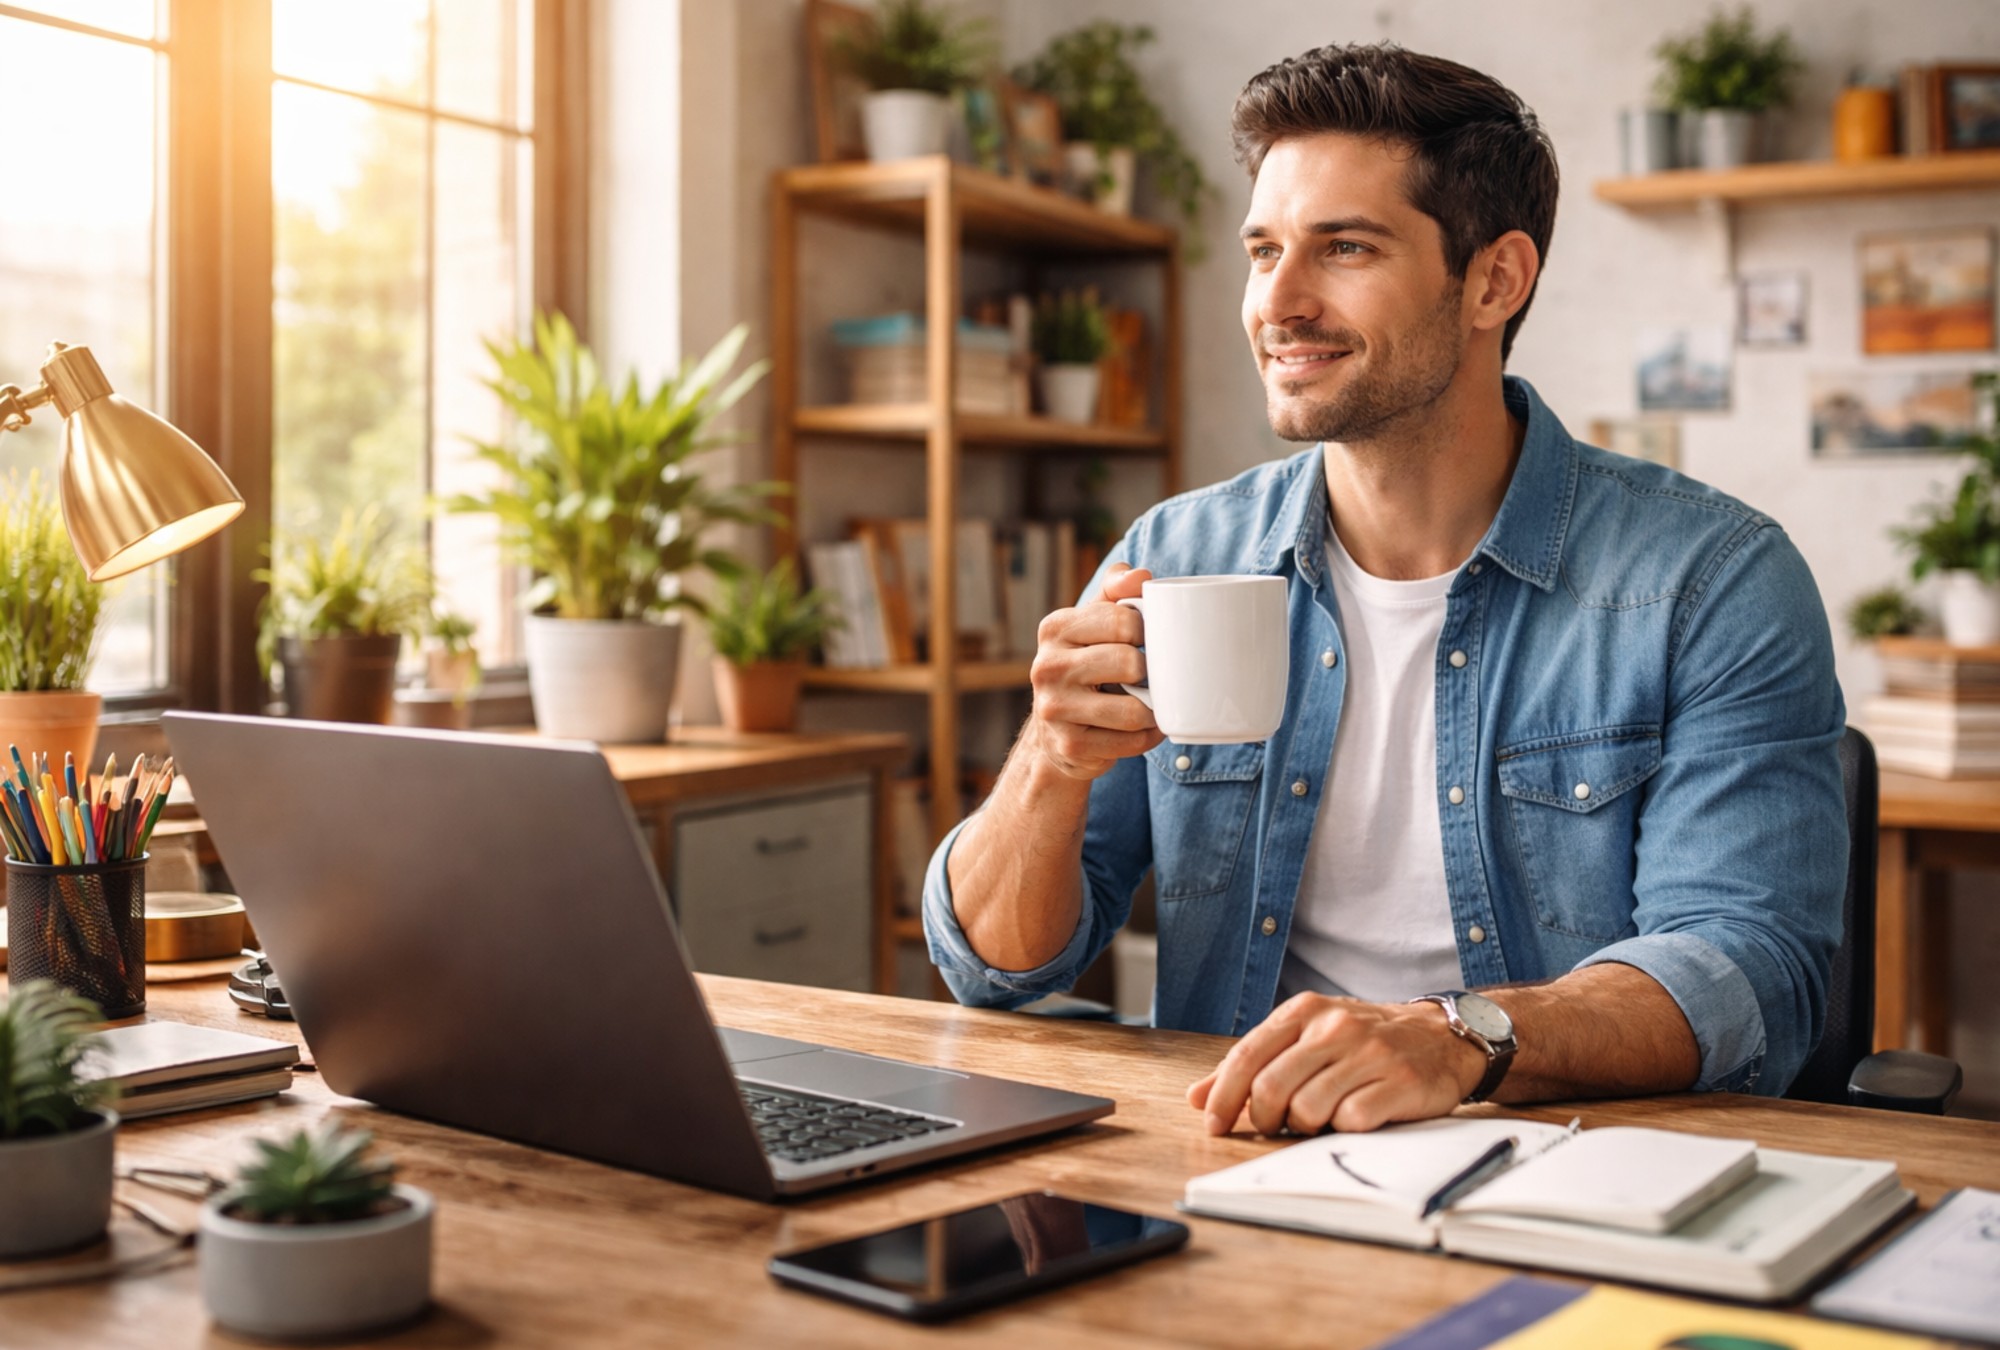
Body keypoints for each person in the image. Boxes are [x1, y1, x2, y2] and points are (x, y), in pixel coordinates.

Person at [921, 43, 1846, 1136]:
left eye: (1345, 248)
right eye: (1263, 251)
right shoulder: (1173, 552)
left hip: (1561, 1168)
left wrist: (1458, 1037)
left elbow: (1748, 968)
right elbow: (996, 971)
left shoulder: (1710, 579)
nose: (1279, 302)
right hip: (1232, 1152)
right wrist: (1051, 760)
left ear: (1494, 281)